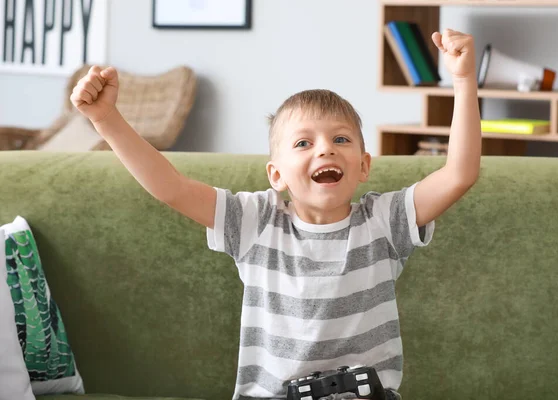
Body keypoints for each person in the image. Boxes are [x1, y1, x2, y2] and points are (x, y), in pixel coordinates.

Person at [70, 28, 481, 400]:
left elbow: (459, 174)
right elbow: (170, 187)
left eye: (341, 138)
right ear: (276, 175)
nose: (325, 149)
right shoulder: (254, 221)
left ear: (363, 166)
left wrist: (463, 82)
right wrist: (106, 119)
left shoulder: (384, 221)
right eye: (304, 143)